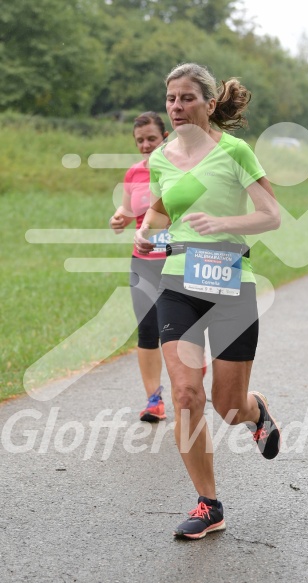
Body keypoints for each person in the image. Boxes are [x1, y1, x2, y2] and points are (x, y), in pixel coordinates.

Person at [134, 63, 282, 540]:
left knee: (228, 405)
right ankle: (208, 504)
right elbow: (159, 209)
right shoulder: (162, 158)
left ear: (209, 103)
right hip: (178, 284)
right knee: (186, 395)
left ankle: (255, 412)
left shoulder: (235, 151)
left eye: (186, 98)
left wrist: (224, 225)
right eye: (171, 99)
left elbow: (270, 216)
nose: (176, 107)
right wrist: (145, 229)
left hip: (233, 285)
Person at [109, 112, 169, 422]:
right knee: (148, 331)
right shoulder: (134, 173)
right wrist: (119, 217)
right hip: (143, 263)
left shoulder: (181, 171)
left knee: (180, 332)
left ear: (166, 137)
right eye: (140, 141)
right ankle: (153, 400)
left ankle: (191, 391)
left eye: (151, 139)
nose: (145, 145)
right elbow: (128, 207)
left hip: (177, 263)